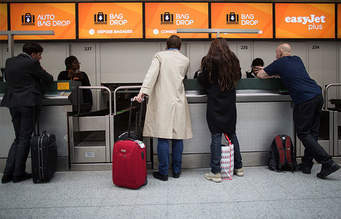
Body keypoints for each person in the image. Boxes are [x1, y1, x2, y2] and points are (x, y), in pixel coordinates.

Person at [254, 43, 340, 179]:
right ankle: (306, 164)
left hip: (304, 99)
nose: (275, 56)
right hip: (317, 95)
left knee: (303, 133)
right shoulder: (297, 59)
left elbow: (260, 75)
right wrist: (273, 70)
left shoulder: (279, 62)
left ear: (281, 52)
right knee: (313, 132)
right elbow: (288, 72)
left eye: (276, 53)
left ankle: (327, 162)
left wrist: (267, 69)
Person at [134, 35, 192, 181]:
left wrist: (142, 92)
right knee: (178, 137)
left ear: (166, 45)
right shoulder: (185, 60)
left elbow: (151, 75)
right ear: (180, 46)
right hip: (178, 101)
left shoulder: (160, 56)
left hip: (163, 101)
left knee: (163, 137)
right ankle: (177, 171)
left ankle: (163, 172)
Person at [1, 42, 53, 183]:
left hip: (13, 103)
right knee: (24, 138)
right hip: (28, 103)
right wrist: (40, 71)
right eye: (39, 55)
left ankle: (7, 174)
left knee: (18, 138)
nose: (40, 57)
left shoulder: (9, 61)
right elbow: (48, 78)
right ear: (33, 54)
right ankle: (18, 174)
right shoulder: (31, 63)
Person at [197, 38, 243, 183]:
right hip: (229, 103)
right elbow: (239, 76)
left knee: (216, 136)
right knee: (232, 134)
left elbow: (203, 80)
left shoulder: (208, 60)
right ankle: (239, 167)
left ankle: (216, 172)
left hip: (214, 102)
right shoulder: (233, 59)